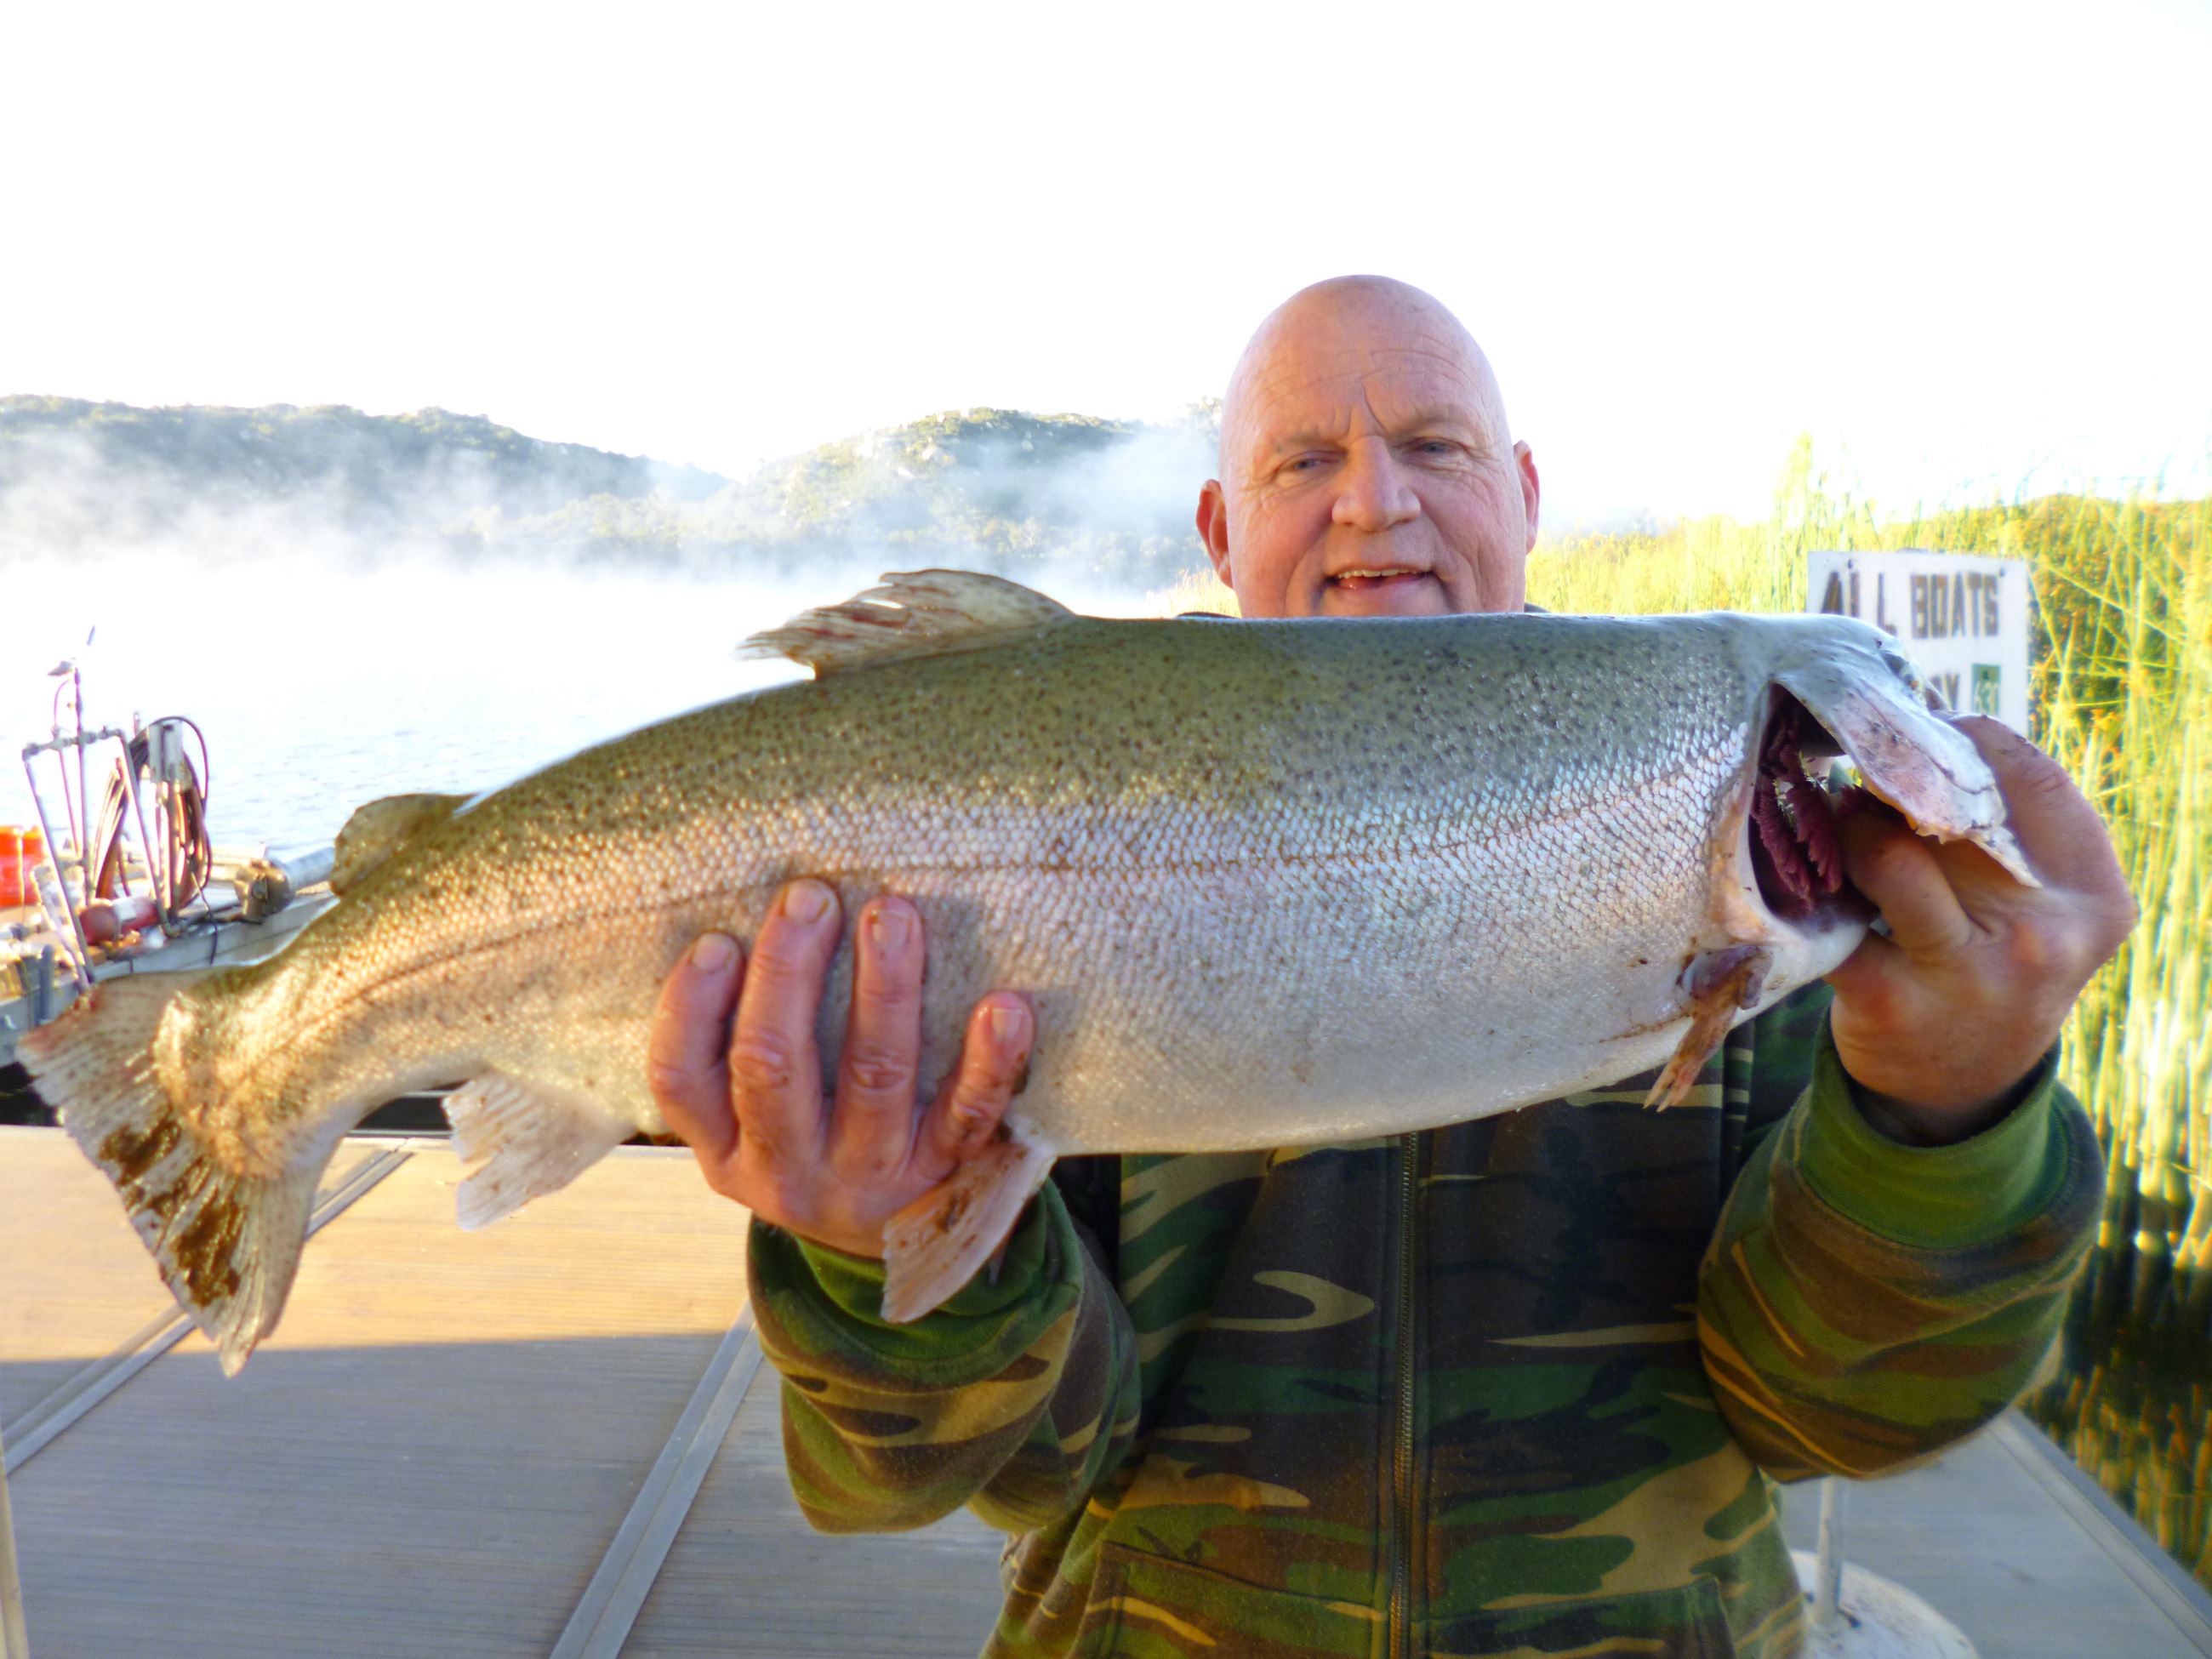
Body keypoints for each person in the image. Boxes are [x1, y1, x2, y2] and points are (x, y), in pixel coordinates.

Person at [643, 277, 2135, 1657]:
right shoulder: (1052, 831)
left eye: (1434, 443)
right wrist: (874, 1239)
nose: (1375, 500)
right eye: (1305, 463)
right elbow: (1019, 1466)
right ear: (1223, 535)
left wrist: (1945, 1122)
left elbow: (1834, 1415)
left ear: (1526, 495)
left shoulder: (1763, 888)